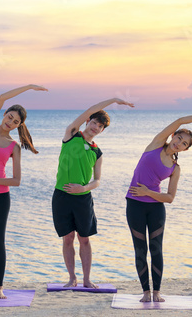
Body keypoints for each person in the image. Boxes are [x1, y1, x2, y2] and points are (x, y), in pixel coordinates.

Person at [126, 114, 192, 302]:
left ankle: (157, 292)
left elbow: (170, 198)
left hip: (156, 208)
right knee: (140, 250)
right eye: (179, 138)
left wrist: (148, 192)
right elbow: (179, 121)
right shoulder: (155, 144)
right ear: (172, 136)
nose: (179, 143)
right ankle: (145, 292)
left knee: (156, 249)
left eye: (184, 143)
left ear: (186, 149)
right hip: (134, 204)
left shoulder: (175, 168)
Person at [0, 84, 47, 299]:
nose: (10, 122)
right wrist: (29, 87)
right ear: (4, 114)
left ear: (18, 126)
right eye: (10, 116)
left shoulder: (13, 146)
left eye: (16, 122)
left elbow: (16, 180)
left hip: (1, 196)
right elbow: (2, 96)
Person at [52, 98, 134, 288]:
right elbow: (90, 108)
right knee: (67, 239)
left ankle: (87, 279)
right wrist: (114, 100)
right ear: (88, 121)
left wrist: (83, 188)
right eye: (94, 122)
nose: (96, 127)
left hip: (83, 198)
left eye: (100, 126)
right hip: (62, 196)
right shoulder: (71, 134)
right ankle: (72, 278)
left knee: (84, 239)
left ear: (102, 131)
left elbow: (97, 180)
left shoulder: (98, 152)